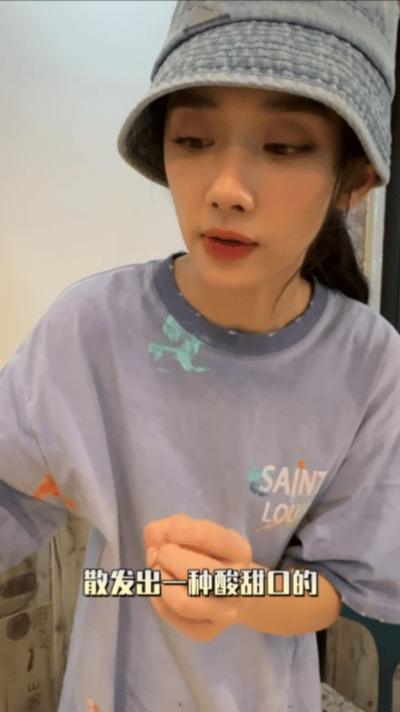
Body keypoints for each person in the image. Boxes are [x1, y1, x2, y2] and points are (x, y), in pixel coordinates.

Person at [1, 2, 400, 711]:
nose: (225, 190)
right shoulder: (90, 330)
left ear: (355, 179)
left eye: (284, 147)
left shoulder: (368, 364)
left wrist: (240, 593)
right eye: (192, 139)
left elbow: (337, 585)